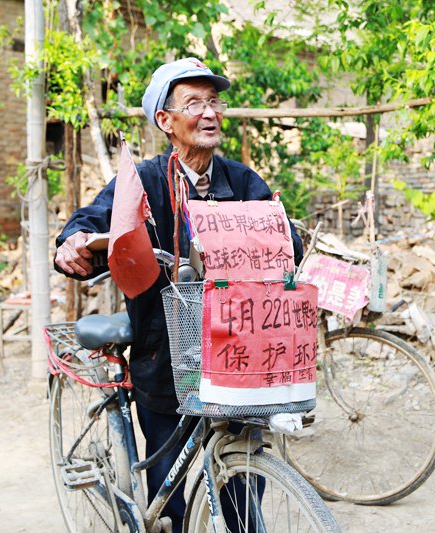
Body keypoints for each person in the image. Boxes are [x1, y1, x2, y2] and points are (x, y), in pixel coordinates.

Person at [54, 57, 303, 532]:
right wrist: (73, 244)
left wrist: (272, 241)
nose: (209, 113)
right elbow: (90, 222)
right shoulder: (144, 182)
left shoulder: (243, 182)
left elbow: (285, 239)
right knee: (165, 499)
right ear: (165, 121)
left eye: (214, 102)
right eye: (194, 103)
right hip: (166, 357)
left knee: (242, 491)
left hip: (238, 359)